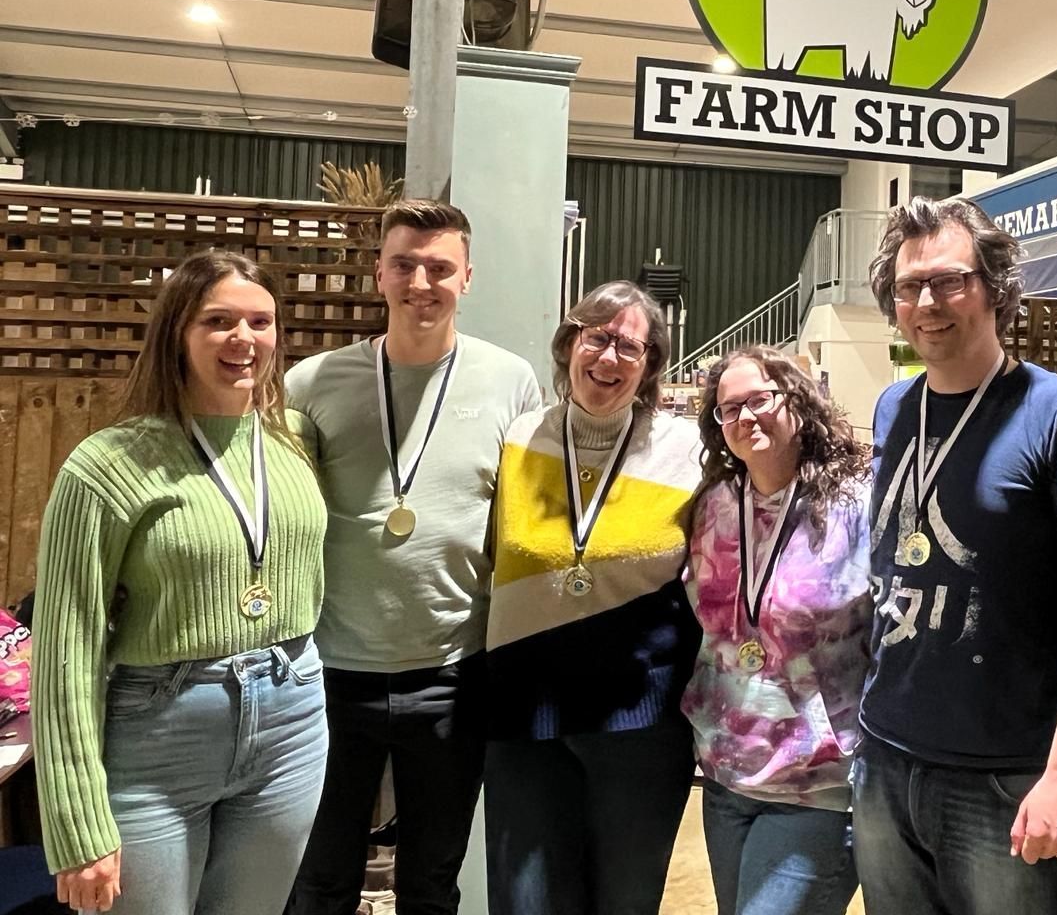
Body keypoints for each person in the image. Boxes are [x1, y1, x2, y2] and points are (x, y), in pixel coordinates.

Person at [854, 196, 1057, 915]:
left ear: (996, 288)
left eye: (950, 280)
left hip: (1008, 778)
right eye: (908, 285)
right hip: (888, 757)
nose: (928, 302)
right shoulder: (894, 407)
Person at [33, 251, 329, 915]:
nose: (243, 339)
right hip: (161, 730)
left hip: (291, 720)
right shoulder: (108, 465)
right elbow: (66, 648)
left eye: (260, 321)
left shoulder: (295, 443)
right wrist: (77, 827)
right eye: (217, 320)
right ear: (177, 332)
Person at [286, 199, 542, 915]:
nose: (420, 282)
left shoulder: (511, 381)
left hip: (452, 672)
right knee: (320, 877)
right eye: (405, 264)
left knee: (430, 881)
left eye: (439, 268)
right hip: (331, 672)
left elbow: (521, 521)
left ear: (468, 279)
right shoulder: (311, 384)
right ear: (379, 274)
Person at [484, 281, 703, 915]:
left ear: (651, 364)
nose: (608, 359)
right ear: (570, 343)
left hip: (638, 723)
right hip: (524, 716)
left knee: (623, 903)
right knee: (525, 904)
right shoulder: (520, 438)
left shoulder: (685, 452)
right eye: (597, 338)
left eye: (629, 347)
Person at [682, 345, 874, 915]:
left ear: (798, 401)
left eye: (759, 400)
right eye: (728, 408)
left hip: (816, 785)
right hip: (724, 776)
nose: (745, 417)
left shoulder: (856, 501)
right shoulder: (714, 505)